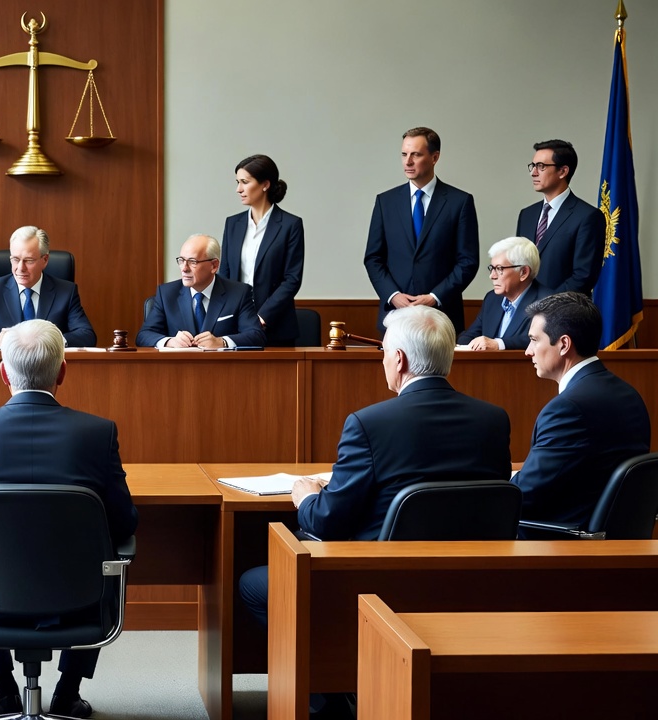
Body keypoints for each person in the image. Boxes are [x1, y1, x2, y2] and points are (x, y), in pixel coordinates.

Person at [238, 306, 510, 691]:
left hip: (379, 585)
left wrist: (307, 497)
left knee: (254, 583)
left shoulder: (369, 423)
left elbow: (328, 523)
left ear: (399, 359)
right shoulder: (493, 420)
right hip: (470, 582)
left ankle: (324, 695)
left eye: (384, 353)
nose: (383, 361)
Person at [0, 319, 137, 718]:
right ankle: (68, 692)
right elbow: (124, 523)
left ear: (3, 372)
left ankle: (4, 690)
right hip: (79, 600)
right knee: (108, 559)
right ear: (62, 372)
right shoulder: (98, 433)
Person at [514, 292, 650, 528]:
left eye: (534, 340)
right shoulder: (630, 395)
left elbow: (524, 496)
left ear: (564, 345)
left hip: (559, 540)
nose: (528, 351)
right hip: (613, 538)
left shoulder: (567, 409)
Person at [364, 127, 479, 334]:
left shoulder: (459, 202)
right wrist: (393, 295)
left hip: (442, 316)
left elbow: (468, 261)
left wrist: (434, 297)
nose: (408, 161)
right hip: (395, 316)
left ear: (435, 157)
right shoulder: (385, 202)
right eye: (404, 154)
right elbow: (373, 258)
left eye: (415, 154)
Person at [0, 226, 96, 348]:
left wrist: (50, 341)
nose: (20, 268)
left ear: (45, 260)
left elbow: (87, 335)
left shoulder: (66, 292)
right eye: (15, 259)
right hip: (4, 365)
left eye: (29, 261)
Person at [218, 154, 305, 346]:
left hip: (276, 327)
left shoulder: (290, 225)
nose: (238, 189)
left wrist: (263, 317)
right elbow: (224, 274)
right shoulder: (232, 224)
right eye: (237, 182)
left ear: (265, 184)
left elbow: (292, 279)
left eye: (245, 182)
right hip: (235, 325)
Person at [138, 234, 266, 349]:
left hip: (223, 366)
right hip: (179, 367)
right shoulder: (166, 293)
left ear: (214, 266)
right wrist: (169, 341)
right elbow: (144, 335)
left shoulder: (239, 293)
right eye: (181, 260)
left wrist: (222, 342)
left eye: (192, 262)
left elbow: (256, 335)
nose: (184, 268)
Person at [515, 139, 606, 294]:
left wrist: (544, 304)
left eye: (541, 166)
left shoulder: (588, 217)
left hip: (565, 307)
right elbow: (518, 264)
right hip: (524, 307)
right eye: (533, 165)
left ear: (563, 171)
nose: (533, 172)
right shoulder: (527, 214)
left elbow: (583, 276)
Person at [456, 237, 551, 351]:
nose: (492, 276)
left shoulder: (547, 302)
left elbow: (539, 340)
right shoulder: (492, 299)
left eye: (499, 268)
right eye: (492, 268)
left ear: (524, 272)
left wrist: (499, 344)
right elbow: (469, 335)